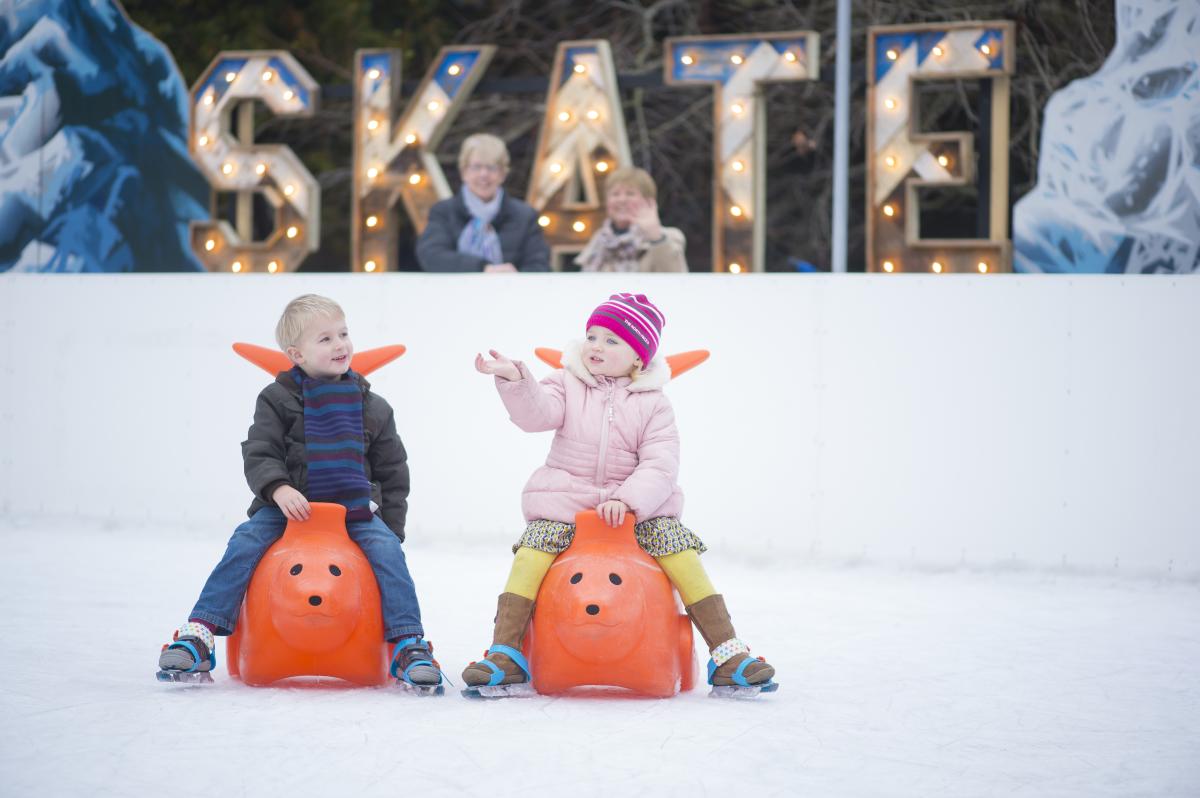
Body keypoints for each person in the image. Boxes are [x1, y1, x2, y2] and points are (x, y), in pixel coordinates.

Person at [464, 293, 774, 691]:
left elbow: (661, 464)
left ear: (638, 359)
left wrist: (628, 500)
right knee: (531, 553)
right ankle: (505, 652)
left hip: (638, 511)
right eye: (592, 336)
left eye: (612, 341)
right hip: (565, 502)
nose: (596, 346)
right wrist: (514, 380)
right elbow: (536, 415)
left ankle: (728, 653)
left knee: (680, 553)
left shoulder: (654, 404)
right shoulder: (565, 383)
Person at [157, 294, 442, 689]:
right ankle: (200, 631)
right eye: (324, 339)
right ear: (296, 354)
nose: (340, 345)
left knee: (388, 552)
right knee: (245, 541)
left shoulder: (373, 406)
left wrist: (391, 527)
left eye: (343, 334)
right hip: (288, 508)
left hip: (354, 511)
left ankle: (408, 643)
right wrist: (278, 488)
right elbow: (260, 451)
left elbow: (394, 471)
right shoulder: (276, 400)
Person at [416, 133, 550, 273]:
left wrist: (514, 276)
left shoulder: (524, 216)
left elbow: (539, 264)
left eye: (491, 168)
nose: (483, 175)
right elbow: (432, 256)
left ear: (503, 174)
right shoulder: (444, 212)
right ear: (464, 172)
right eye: (476, 167)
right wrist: (483, 269)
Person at [576, 167, 688, 273]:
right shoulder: (599, 241)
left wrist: (655, 236)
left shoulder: (668, 237)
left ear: (648, 201)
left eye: (630, 194)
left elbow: (679, 281)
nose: (622, 200)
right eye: (615, 194)